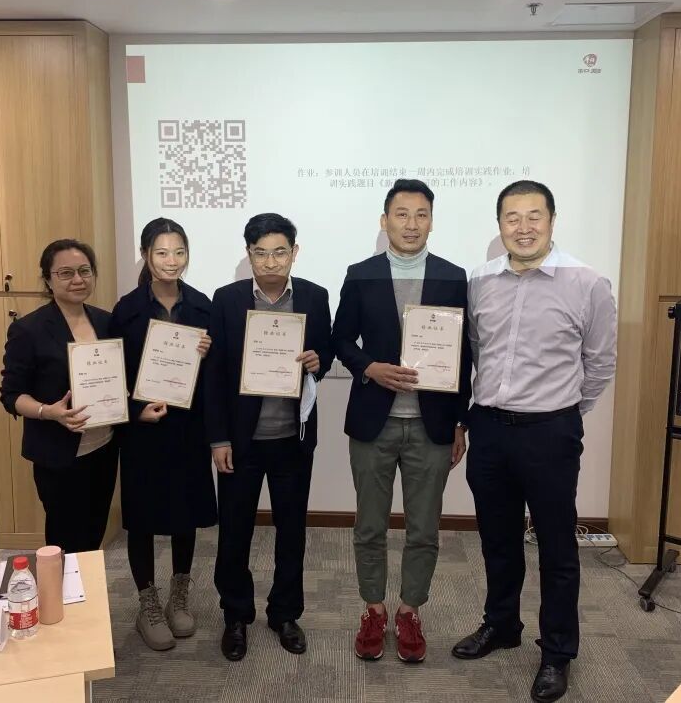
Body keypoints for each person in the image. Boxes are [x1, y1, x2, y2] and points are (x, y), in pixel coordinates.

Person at [454, 180, 617, 703]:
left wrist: (563, 412)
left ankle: (557, 652)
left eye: (534, 216)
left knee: (556, 547)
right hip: (489, 429)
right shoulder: (479, 281)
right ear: (499, 224)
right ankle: (501, 625)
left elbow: (600, 363)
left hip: (550, 431)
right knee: (497, 539)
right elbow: (476, 349)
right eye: (512, 217)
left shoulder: (587, 282)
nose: (523, 228)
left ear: (552, 220)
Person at [332, 178, 471, 663]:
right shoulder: (361, 275)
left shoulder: (454, 277)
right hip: (374, 421)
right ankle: (373, 609)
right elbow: (340, 339)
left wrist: (461, 422)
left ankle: (410, 610)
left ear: (431, 221)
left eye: (421, 214)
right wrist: (368, 367)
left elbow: (465, 355)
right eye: (402, 214)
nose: (411, 224)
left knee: (424, 528)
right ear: (384, 220)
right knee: (369, 526)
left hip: (433, 425)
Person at [205, 213, 334, 661]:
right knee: (234, 533)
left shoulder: (315, 297)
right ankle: (236, 615)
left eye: (280, 252)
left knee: (291, 532)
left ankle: (285, 614)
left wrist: (318, 361)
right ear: (249, 255)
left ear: (294, 252)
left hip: (292, 438)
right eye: (260, 253)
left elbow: (324, 355)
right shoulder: (227, 299)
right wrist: (218, 439)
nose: (271, 261)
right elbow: (215, 374)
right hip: (241, 442)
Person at [109, 218, 216, 652]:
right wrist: (137, 412)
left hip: (188, 429)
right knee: (142, 519)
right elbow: (113, 376)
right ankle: (147, 603)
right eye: (161, 253)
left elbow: (216, 377)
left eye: (179, 252)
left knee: (185, 514)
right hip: (144, 432)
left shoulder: (203, 306)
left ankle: (179, 596)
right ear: (146, 255)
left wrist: (209, 353)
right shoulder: (126, 310)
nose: (172, 261)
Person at [0, 239, 119, 554]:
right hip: (58, 454)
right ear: (48, 279)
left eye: (84, 271)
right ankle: (63, 587)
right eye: (66, 273)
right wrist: (48, 411)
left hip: (103, 448)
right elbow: (11, 395)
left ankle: (87, 587)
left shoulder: (106, 321)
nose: (78, 279)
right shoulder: (29, 329)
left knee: (94, 535)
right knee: (66, 539)